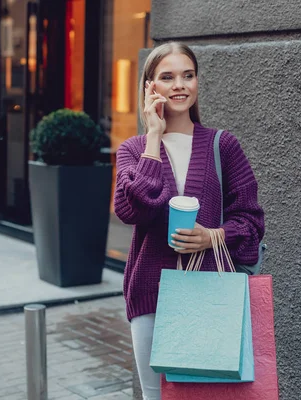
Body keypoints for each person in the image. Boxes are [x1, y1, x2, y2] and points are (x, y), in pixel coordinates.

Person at [113, 42, 265, 399]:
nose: (180, 85)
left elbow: (252, 221)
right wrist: (153, 136)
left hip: (211, 294)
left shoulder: (222, 145)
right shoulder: (133, 149)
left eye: (188, 75)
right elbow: (132, 210)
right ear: (150, 87)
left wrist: (212, 236)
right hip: (151, 294)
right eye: (167, 77)